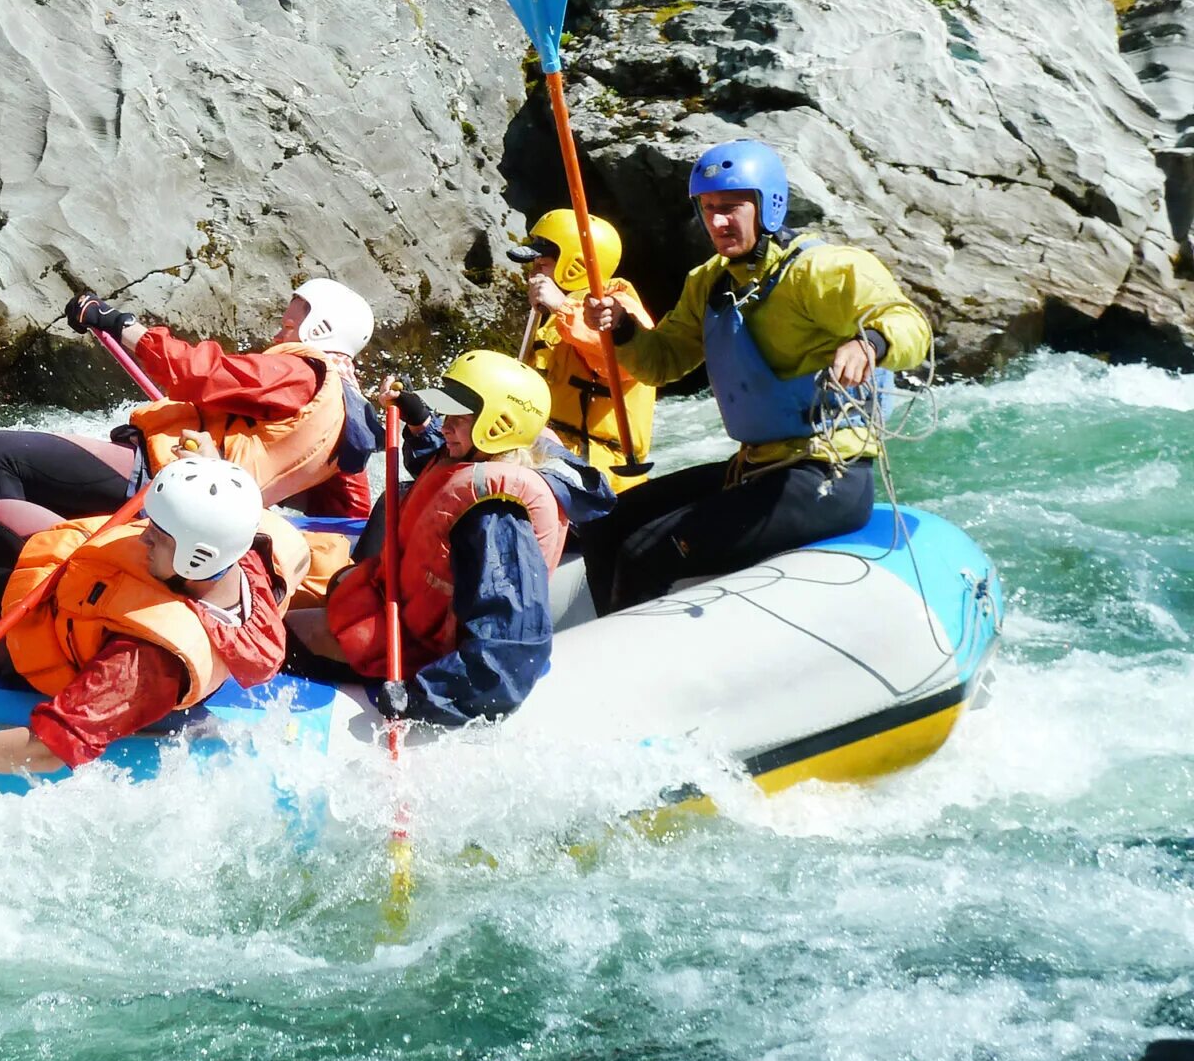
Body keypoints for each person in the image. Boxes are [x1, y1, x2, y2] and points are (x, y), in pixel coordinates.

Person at [578, 139, 932, 615]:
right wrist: (622, 328)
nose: (717, 222)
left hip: (827, 476)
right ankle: (608, 642)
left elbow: (912, 326)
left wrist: (870, 343)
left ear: (769, 205)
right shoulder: (710, 281)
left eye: (730, 208)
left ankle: (634, 673)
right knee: (608, 525)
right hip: (755, 467)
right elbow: (663, 361)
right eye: (707, 210)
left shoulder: (821, 271)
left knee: (645, 552)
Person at [0, 457, 310, 773]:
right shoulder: (249, 556)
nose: (143, 539)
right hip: (85, 578)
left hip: (46, 635)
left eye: (158, 535)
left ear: (197, 556)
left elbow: (50, 749)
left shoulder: (143, 664)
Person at [0, 278, 379, 568]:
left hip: (163, 477)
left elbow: (201, 373)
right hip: (185, 487)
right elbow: (349, 512)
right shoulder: (350, 415)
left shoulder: (300, 372)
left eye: (286, 327)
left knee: (2, 451)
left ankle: (10, 585)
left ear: (319, 331)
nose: (276, 336)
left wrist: (120, 323)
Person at [288, 351, 607, 726]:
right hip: (401, 619)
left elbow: (508, 649)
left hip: (424, 657)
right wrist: (420, 423)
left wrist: (421, 698)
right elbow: (439, 474)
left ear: (497, 425)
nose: (445, 427)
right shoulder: (479, 458)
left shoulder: (496, 518)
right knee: (307, 603)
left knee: (284, 637)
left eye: (458, 418)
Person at [520, 209, 657, 492]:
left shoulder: (620, 309)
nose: (532, 270)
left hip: (600, 472)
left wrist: (562, 306)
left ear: (574, 265)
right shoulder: (553, 321)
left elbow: (624, 361)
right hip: (550, 454)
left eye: (541, 262)